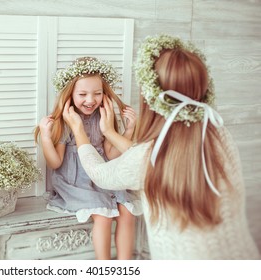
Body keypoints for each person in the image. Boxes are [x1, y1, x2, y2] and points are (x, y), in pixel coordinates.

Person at [62, 35, 260, 259]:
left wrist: (78, 130)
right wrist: (109, 132)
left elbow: (102, 174)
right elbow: (143, 158)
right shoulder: (219, 133)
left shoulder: (147, 155)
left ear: (150, 97)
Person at [34, 57, 142, 260]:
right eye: (83, 94)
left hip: (103, 175)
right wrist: (46, 137)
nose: (90, 100)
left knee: (127, 212)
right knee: (103, 216)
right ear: (70, 94)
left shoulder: (104, 116)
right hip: (76, 183)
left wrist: (129, 129)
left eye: (97, 94)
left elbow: (111, 154)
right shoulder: (67, 121)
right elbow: (55, 163)